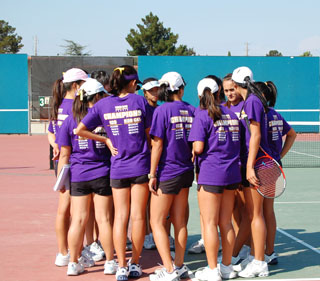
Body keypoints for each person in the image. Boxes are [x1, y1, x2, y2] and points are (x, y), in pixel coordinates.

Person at [75, 65, 151, 281]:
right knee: (137, 217)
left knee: (120, 217)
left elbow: (79, 130)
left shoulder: (104, 104)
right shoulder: (140, 101)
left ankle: (121, 266)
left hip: (118, 168)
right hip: (140, 166)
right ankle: (135, 263)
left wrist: (106, 139)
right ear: (134, 83)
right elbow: (149, 134)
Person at [57, 78, 116, 276]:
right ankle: (109, 261)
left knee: (78, 220)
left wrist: (61, 180)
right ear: (97, 96)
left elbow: (64, 154)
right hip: (102, 173)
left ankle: (73, 263)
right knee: (104, 220)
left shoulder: (70, 120)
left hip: (79, 175)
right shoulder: (104, 118)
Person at [189, 78, 240, 281]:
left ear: (200, 95)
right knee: (226, 223)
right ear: (219, 93)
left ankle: (212, 270)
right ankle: (226, 267)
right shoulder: (232, 114)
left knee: (210, 223)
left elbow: (198, 148)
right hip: (232, 173)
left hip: (210, 174)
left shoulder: (202, 115)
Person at [148, 72, 194, 281]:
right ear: (181, 89)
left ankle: (169, 271)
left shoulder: (161, 111)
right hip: (186, 172)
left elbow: (157, 144)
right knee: (180, 221)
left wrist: (151, 174)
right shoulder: (192, 110)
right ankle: (179, 265)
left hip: (167, 172)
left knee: (156, 221)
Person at [231, 66, 271, 278]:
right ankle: (255, 256)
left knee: (256, 214)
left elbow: (255, 136)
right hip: (255, 162)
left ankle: (259, 262)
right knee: (253, 214)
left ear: (237, 86)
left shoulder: (252, 102)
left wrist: (249, 166)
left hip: (256, 164)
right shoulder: (252, 101)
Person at [48, 68, 88, 267]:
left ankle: (63, 251)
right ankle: (73, 253)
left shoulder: (57, 104)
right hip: (75, 160)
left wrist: (55, 144)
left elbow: (50, 132)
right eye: (84, 84)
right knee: (76, 211)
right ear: (76, 86)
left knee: (63, 209)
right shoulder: (77, 107)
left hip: (61, 162)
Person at [254, 81, 296, 265]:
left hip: (260, 166)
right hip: (274, 166)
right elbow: (292, 134)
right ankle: (269, 252)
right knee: (268, 212)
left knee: (255, 214)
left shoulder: (260, 116)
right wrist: (279, 156)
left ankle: (257, 256)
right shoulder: (276, 115)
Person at [223, 74, 251, 263]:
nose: (229, 93)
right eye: (226, 90)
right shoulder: (223, 109)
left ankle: (245, 247)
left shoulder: (247, 106)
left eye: (232, 89)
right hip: (229, 167)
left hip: (244, 164)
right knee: (232, 209)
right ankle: (239, 245)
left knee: (245, 210)